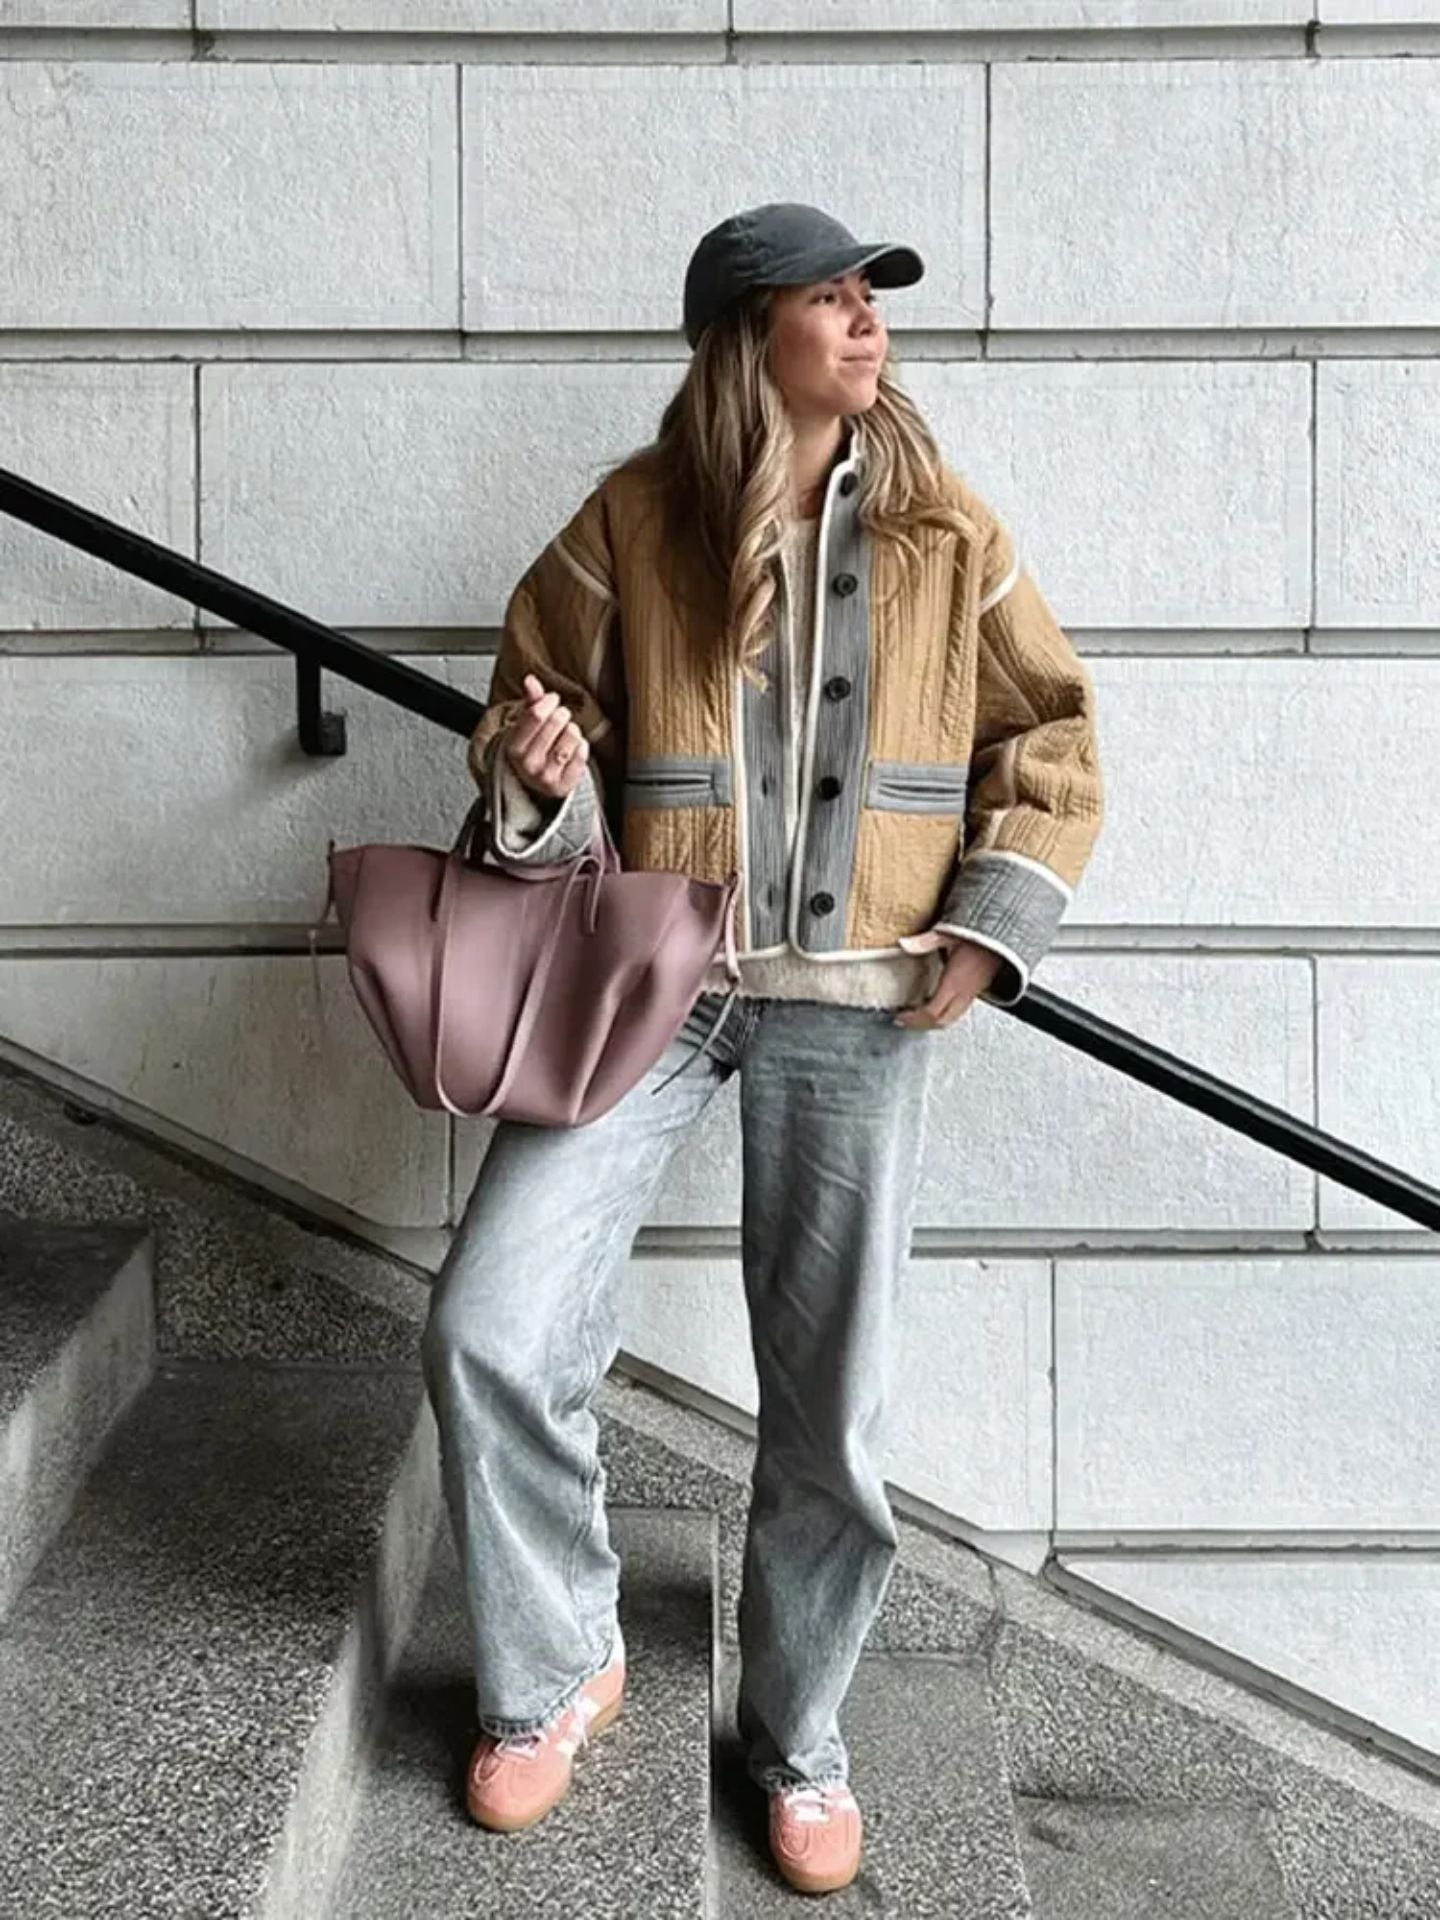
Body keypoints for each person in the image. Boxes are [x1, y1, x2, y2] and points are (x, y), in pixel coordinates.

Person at [420, 202, 1105, 1896]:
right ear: (748, 331)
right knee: (490, 1318)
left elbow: (1056, 727)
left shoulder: (950, 532)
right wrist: (540, 767)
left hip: (864, 1004)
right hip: (658, 986)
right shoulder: (636, 520)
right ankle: (560, 1662)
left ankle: (797, 1734)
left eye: (874, 298)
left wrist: (990, 920)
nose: (869, 322)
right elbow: (521, 714)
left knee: (830, 1419)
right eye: (833, 296)